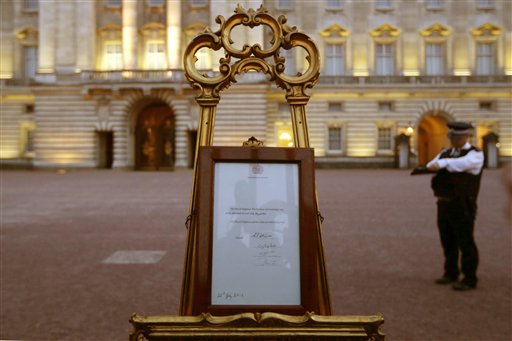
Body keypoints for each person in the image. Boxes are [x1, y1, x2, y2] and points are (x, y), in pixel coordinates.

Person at [426, 121, 484, 291]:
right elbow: (431, 165)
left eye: (458, 137)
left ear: (466, 136)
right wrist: (440, 164)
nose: (454, 140)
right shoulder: (446, 152)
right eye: (452, 137)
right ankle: (451, 272)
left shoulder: (475, 154)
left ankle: (469, 277)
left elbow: (462, 164)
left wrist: (443, 164)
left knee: (466, 241)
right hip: (444, 202)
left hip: (463, 203)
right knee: (447, 240)